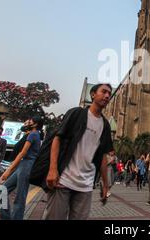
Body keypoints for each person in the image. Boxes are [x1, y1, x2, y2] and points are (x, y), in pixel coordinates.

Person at [44, 83, 113, 220]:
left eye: (109, 94)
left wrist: (106, 185)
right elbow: (57, 139)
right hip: (63, 181)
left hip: (86, 186)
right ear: (92, 95)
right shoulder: (76, 113)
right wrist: (52, 169)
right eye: (103, 92)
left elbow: (103, 157)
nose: (107, 96)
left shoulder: (105, 125)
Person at [0, 116, 43, 220]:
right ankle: (5, 217)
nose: (27, 123)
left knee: (20, 197)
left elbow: (22, 153)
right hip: (23, 164)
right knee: (2, 190)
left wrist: (8, 170)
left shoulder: (33, 134)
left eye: (30, 122)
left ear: (35, 124)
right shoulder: (35, 134)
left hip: (27, 165)